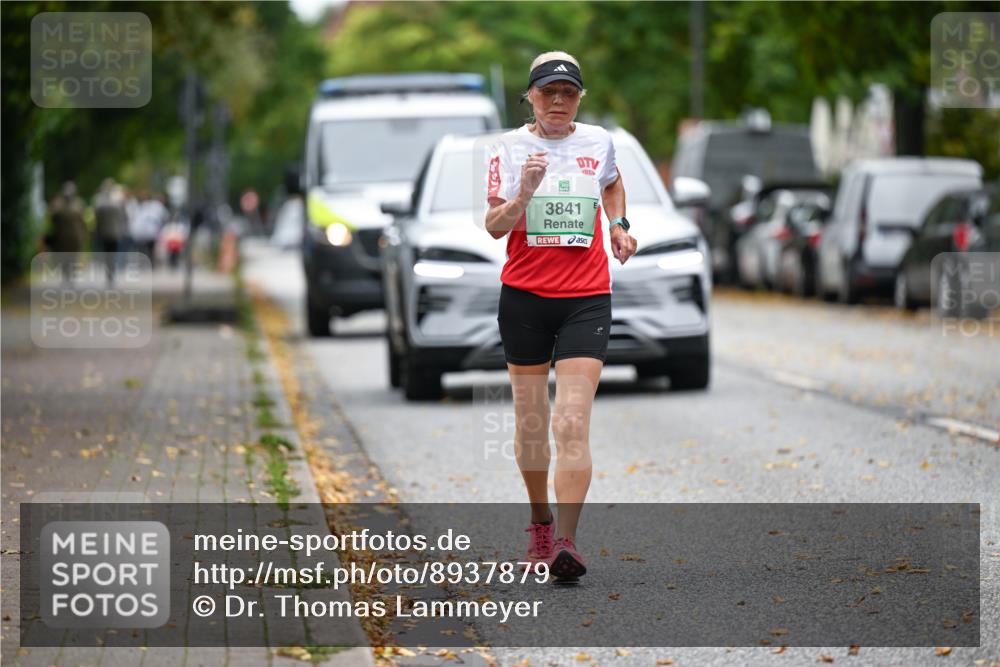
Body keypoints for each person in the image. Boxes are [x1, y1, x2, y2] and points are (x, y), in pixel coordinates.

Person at [485, 52, 637, 581]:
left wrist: (618, 224)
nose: (557, 101)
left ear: (579, 99)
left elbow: (613, 182)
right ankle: (540, 522)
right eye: (547, 91)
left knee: (571, 420)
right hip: (525, 298)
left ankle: (566, 544)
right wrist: (524, 193)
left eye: (567, 93)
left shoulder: (599, 141)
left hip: (585, 297)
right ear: (529, 95)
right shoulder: (507, 148)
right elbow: (494, 227)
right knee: (532, 425)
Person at [46, 181, 89, 284]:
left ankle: (68, 277)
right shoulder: (77, 204)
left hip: (69, 237)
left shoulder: (59, 205)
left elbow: (53, 219)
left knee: (69, 258)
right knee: (69, 258)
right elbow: (83, 222)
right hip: (67, 237)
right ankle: (68, 278)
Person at [93, 178, 129, 284]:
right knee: (112, 253)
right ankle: (111, 272)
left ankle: (109, 273)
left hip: (104, 232)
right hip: (114, 232)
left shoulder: (99, 202)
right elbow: (124, 217)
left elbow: (97, 218)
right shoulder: (118, 201)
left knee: (107, 252)